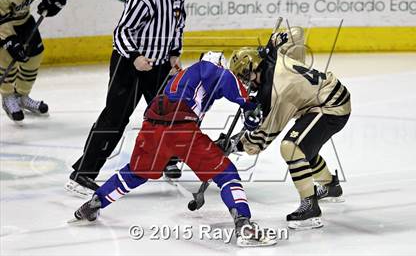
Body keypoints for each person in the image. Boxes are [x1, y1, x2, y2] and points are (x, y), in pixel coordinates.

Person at [71, 52, 275, 247]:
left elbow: (183, 123)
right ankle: (244, 226)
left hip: (152, 125)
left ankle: (94, 204)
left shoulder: (184, 79)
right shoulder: (212, 68)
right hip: (180, 129)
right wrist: (249, 106)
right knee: (226, 174)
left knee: (135, 172)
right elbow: (228, 83)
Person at [66, 0, 188, 197]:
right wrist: (135, 57)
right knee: (115, 118)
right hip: (128, 64)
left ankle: (167, 158)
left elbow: (178, 25)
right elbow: (122, 32)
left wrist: (174, 53)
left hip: (159, 65)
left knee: (168, 113)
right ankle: (82, 175)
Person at [228, 28, 351, 230]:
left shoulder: (275, 93)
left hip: (331, 106)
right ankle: (330, 186)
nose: (245, 83)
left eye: (244, 77)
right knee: (304, 148)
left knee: (291, 147)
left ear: (253, 69)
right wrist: (275, 41)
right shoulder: (274, 57)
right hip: (323, 99)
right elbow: (297, 33)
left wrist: (235, 144)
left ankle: (310, 206)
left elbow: (261, 140)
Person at [0, 0, 68, 122]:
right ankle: (8, 96)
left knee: (35, 55)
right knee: (7, 57)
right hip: (3, 23)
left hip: (23, 18)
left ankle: (22, 96)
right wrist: (8, 40)